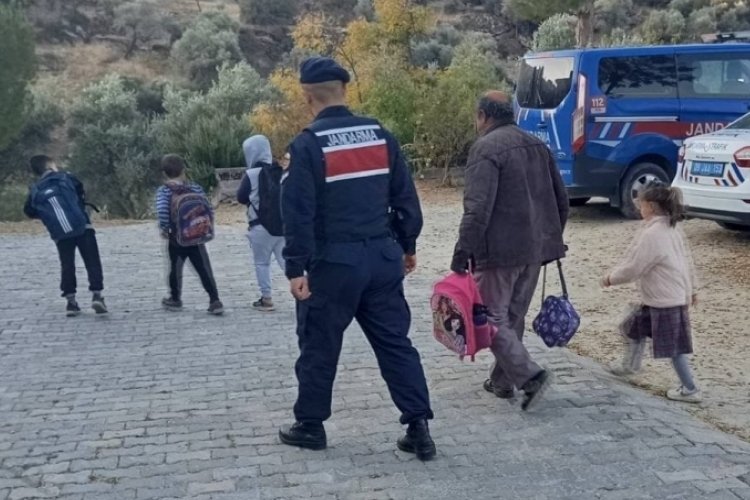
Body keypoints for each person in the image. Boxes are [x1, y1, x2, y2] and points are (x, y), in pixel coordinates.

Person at [278, 56, 435, 460]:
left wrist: (296, 267)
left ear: (306, 95)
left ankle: (310, 426)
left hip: (334, 265)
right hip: (383, 258)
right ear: (345, 90)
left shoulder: (308, 144)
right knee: (395, 344)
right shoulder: (381, 135)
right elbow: (405, 197)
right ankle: (418, 427)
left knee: (319, 345)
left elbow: (298, 211)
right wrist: (408, 245)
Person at [451, 91, 569, 411]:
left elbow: (477, 209)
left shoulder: (486, 149)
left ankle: (530, 376)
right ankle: (503, 381)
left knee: (489, 318)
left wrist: (463, 252)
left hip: (498, 252)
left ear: (483, 116)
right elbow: (561, 200)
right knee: (511, 317)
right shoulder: (537, 145)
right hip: (534, 249)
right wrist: (550, 240)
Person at [601, 182, 701, 403]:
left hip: (665, 300)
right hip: (663, 296)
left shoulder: (653, 234)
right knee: (631, 326)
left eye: (641, 203)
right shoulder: (671, 227)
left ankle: (690, 388)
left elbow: (635, 267)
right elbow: (687, 261)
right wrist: (692, 289)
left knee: (674, 349)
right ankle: (630, 365)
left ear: (652, 206)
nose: (639, 207)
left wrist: (610, 278)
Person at [24, 155, 108, 317]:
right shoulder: (66, 177)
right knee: (92, 261)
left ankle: (71, 301)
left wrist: (48, 215)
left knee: (67, 264)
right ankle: (97, 295)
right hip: (82, 226)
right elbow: (80, 191)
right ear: (50, 166)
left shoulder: (35, 189)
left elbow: (29, 210)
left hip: (60, 232)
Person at [156, 154, 224, 315]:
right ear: (184, 170)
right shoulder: (195, 188)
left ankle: (175, 298)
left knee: (175, 268)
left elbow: (162, 211)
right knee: (204, 268)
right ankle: (214, 299)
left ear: (164, 173)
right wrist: (206, 227)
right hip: (196, 236)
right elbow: (207, 208)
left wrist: (165, 228)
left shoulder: (164, 191)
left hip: (176, 238)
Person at [237, 135, 286, 312]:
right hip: (282, 225)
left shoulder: (251, 174)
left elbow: (241, 198)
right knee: (286, 260)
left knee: (262, 263)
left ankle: (266, 299)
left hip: (259, 226)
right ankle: (305, 291)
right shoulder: (280, 171)